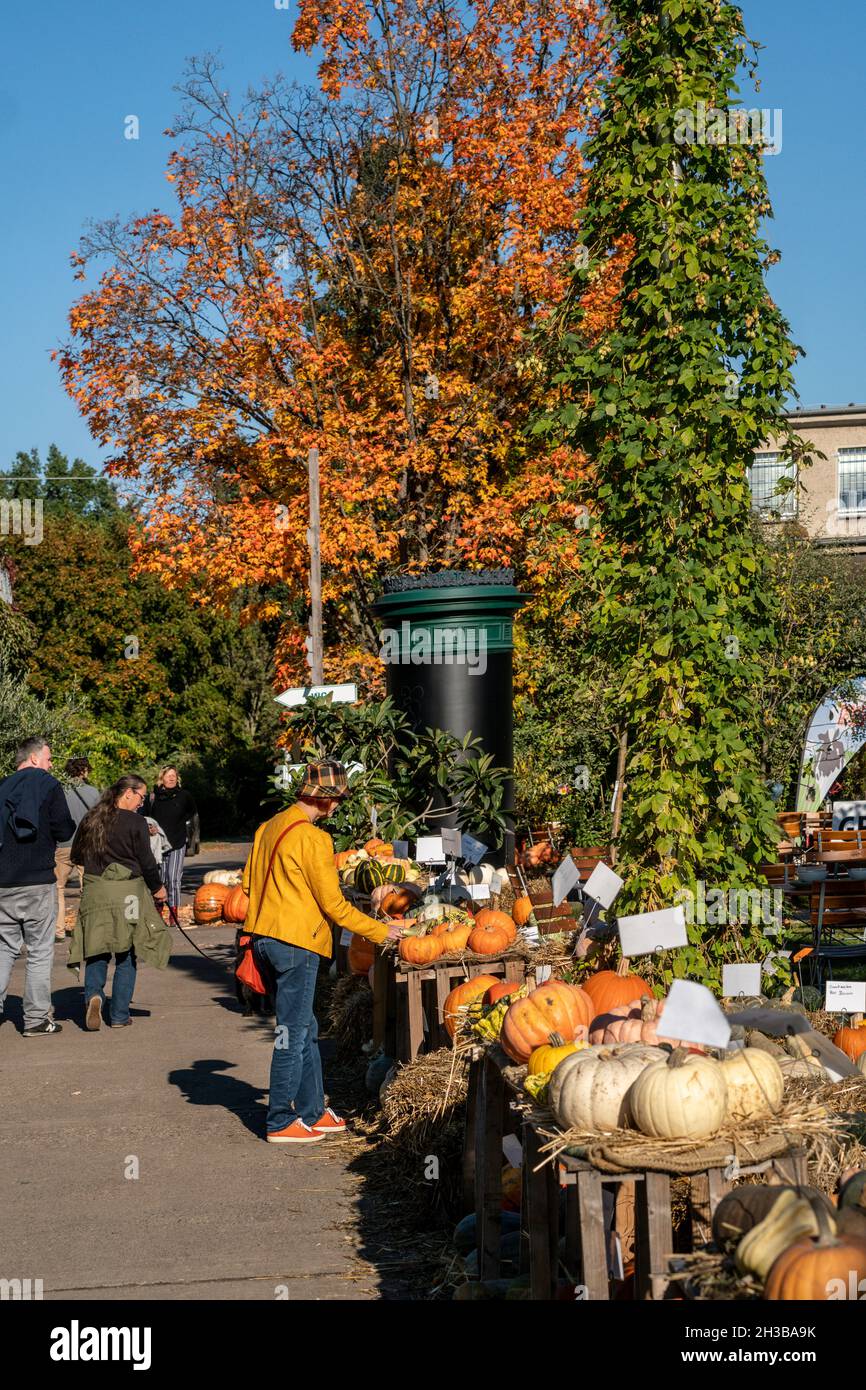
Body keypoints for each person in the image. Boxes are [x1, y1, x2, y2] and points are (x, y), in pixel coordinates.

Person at [243, 759, 402, 1144]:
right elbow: (335, 907)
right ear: (329, 801)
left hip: (264, 938)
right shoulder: (314, 839)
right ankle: (280, 1118)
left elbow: (248, 884)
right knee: (290, 1034)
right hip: (296, 944)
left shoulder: (269, 827)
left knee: (306, 1028)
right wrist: (383, 932)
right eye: (338, 801)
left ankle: (313, 1112)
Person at [68, 775, 170, 1031]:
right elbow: (147, 862)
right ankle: (119, 1015)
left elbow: (75, 855)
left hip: (96, 892)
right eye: (141, 797)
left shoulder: (91, 818)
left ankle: (94, 995)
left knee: (97, 950)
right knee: (126, 953)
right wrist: (158, 889)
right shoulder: (136, 822)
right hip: (129, 895)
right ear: (127, 793)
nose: (142, 802)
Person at [0, 738, 75, 1036]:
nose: (51, 763)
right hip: (38, 880)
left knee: (4, 948)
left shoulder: (2, 785)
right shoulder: (48, 785)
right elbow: (63, 828)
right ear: (33, 758)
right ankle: (35, 1019)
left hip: (3, 881)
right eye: (48, 758)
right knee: (40, 951)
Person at [54, 757, 100, 943]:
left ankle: (59, 931)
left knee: (58, 888)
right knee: (88, 888)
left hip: (63, 845)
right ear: (83, 771)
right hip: (86, 846)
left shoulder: (59, 792)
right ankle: (87, 929)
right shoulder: (93, 792)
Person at [145, 766, 197, 913]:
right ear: (162, 778)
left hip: (177, 841)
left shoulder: (184, 796)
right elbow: (146, 817)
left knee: (173, 879)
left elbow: (192, 812)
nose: (172, 778)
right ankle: (158, 910)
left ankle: (174, 913)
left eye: (174, 775)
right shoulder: (153, 797)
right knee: (161, 880)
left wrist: (183, 827)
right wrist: (151, 828)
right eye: (168, 776)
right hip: (158, 844)